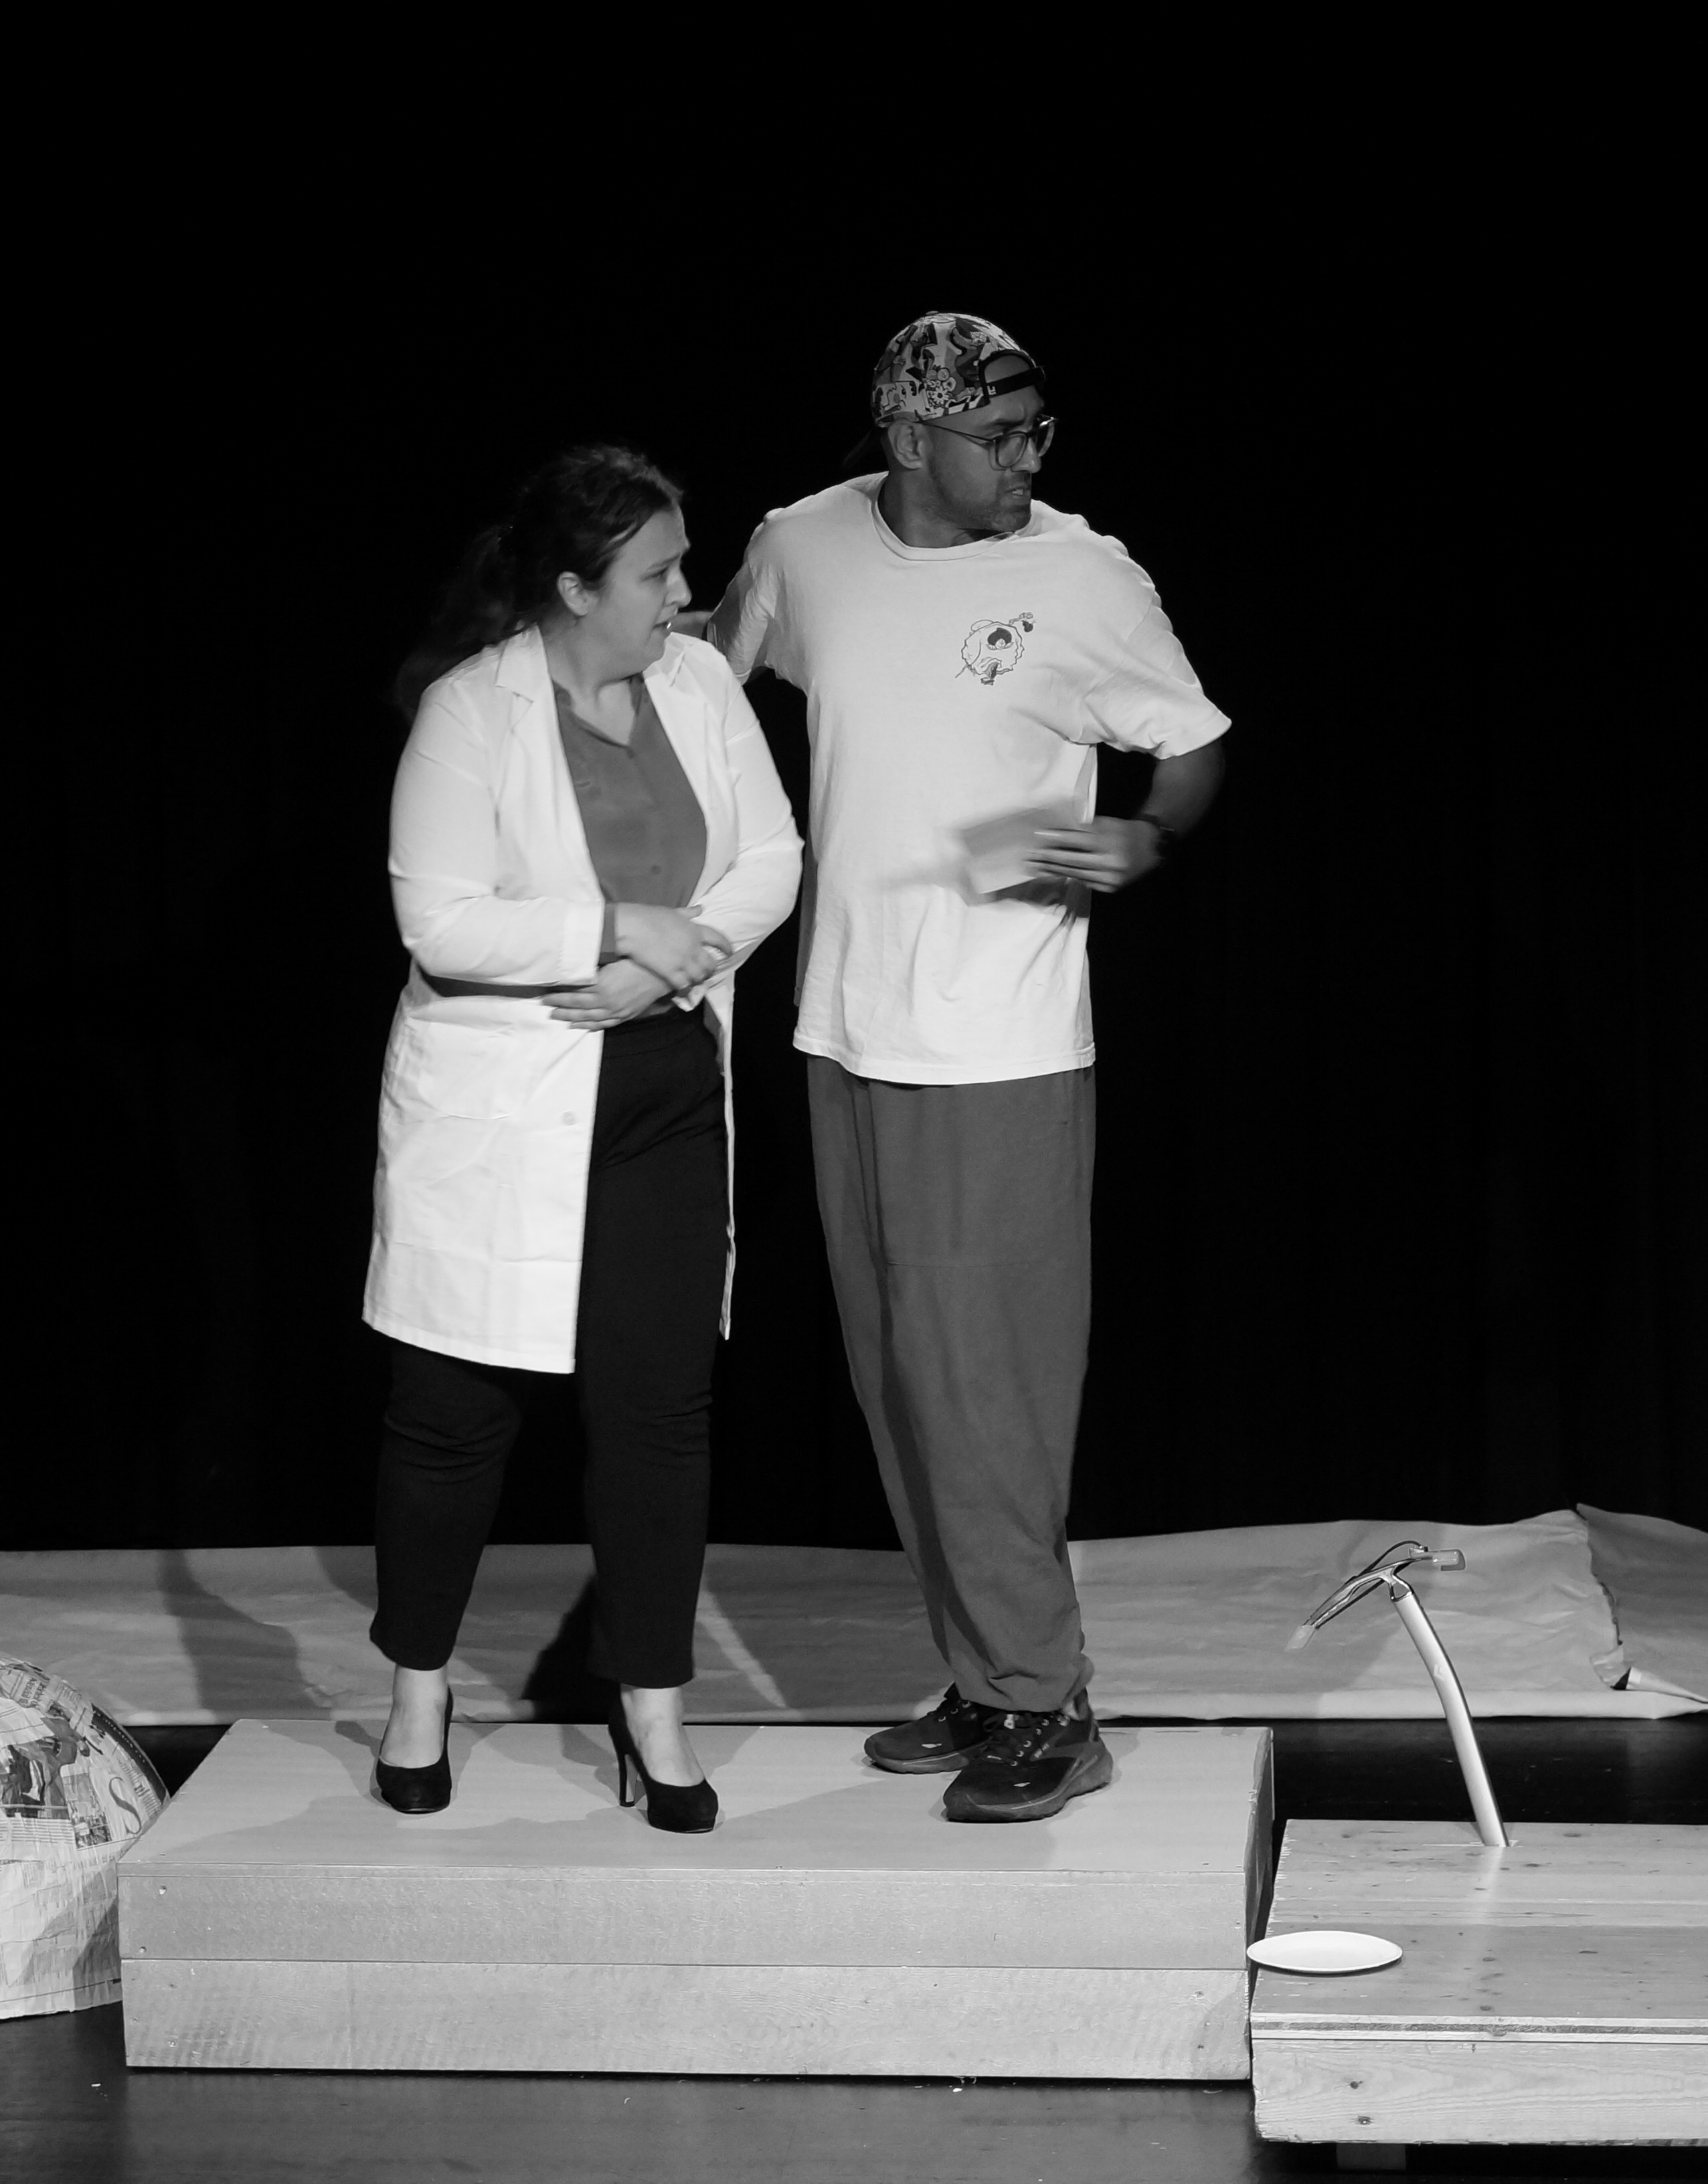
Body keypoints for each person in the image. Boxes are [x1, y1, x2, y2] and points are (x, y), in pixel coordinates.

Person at [707, 312, 1227, 1823]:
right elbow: (704, 682)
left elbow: (1191, 742)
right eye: (999, 436)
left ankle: (1047, 1701)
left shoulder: (1083, 575)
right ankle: (987, 1675)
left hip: (997, 1047)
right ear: (908, 435)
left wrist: (1147, 834)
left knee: (987, 1391)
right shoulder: (802, 547)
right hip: (844, 1023)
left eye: (1037, 432)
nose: (1028, 459)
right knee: (898, 1388)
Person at [363, 445, 801, 1832]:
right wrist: (612, 932)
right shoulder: (470, 710)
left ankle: (650, 1701)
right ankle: (419, 1687)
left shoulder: (700, 684)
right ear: (571, 588)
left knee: (657, 1415)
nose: (683, 593)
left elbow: (771, 859)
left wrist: (664, 968)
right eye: (658, 572)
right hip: (505, 1094)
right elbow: (439, 919)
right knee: (454, 1414)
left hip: (663, 1086)